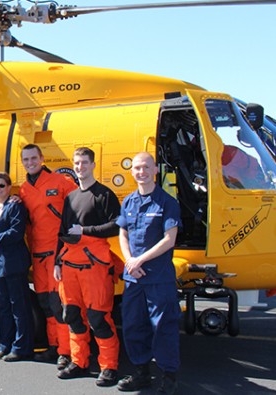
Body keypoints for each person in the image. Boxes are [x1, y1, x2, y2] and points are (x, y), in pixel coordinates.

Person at [55, 147, 121, 387]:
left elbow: (116, 226)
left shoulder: (104, 194)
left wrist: (85, 231)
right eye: (76, 163)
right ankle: (79, 361)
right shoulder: (71, 198)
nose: (79, 167)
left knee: (98, 318)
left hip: (96, 266)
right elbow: (61, 233)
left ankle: (109, 366)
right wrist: (56, 262)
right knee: (72, 315)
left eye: (84, 163)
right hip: (70, 264)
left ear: (93, 164)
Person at [116, 152, 181, 394]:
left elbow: (169, 239)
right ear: (131, 172)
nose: (140, 172)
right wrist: (129, 261)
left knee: (163, 327)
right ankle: (141, 373)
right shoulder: (129, 201)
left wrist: (139, 260)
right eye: (136, 168)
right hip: (134, 277)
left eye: (145, 167)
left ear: (155, 170)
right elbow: (122, 233)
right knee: (133, 326)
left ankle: (169, 376)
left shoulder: (167, 202)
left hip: (158, 277)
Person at [19, 144, 77, 367]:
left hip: (57, 254)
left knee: (59, 304)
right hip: (38, 255)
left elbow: (78, 210)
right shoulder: (23, 190)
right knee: (45, 303)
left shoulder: (61, 183)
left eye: (34, 158)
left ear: (42, 158)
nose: (30, 162)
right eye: (26, 159)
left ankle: (67, 351)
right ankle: (54, 347)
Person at [0, 172, 35, 361]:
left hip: (13, 264)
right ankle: (5, 345)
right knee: (4, 306)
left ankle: (21, 347)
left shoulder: (15, 206)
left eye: (1, 186)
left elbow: (16, 231)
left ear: (8, 187)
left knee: (19, 307)